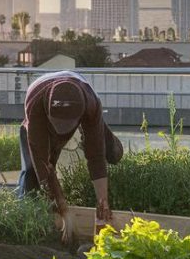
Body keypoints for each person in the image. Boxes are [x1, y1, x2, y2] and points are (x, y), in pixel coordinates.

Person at [18, 71, 123, 243]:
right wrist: (63, 211)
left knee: (112, 153)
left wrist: (102, 204)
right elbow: (44, 165)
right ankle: (27, 222)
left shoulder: (91, 104)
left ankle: (106, 140)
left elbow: (95, 157)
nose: (63, 132)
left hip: (84, 107)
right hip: (40, 111)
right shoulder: (36, 106)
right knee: (32, 173)